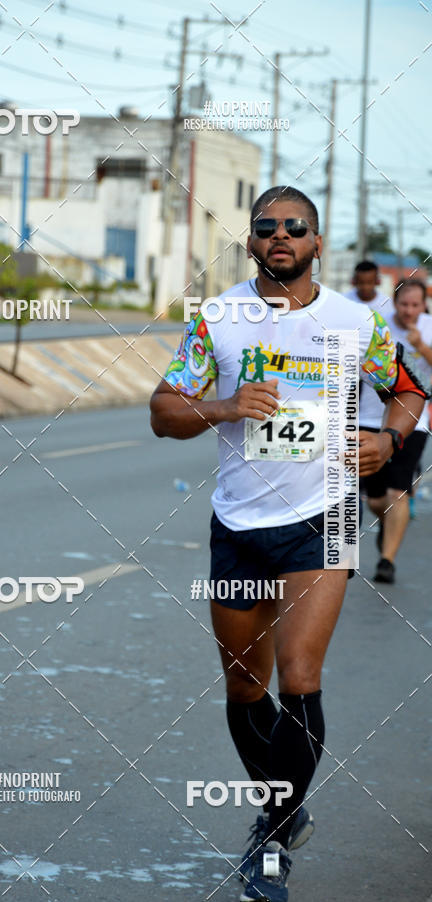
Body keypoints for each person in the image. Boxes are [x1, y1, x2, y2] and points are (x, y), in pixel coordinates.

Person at [149, 186, 428, 902]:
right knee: (245, 688)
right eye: (266, 227)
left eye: (295, 227)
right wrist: (221, 406)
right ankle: (287, 803)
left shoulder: (351, 323)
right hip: (239, 524)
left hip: (324, 515)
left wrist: (388, 438)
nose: (280, 236)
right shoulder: (219, 319)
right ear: (249, 243)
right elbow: (163, 410)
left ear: (315, 243)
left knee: (299, 677)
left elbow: (409, 392)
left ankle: (270, 842)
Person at [360, 278, 432, 583]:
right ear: (395, 302)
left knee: (397, 490)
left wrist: (420, 347)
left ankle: (386, 561)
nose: (409, 311)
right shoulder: (377, 327)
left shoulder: (428, 327)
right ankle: (388, 523)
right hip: (370, 418)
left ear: (423, 303)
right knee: (375, 497)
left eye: (416, 305)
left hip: (412, 421)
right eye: (404, 304)